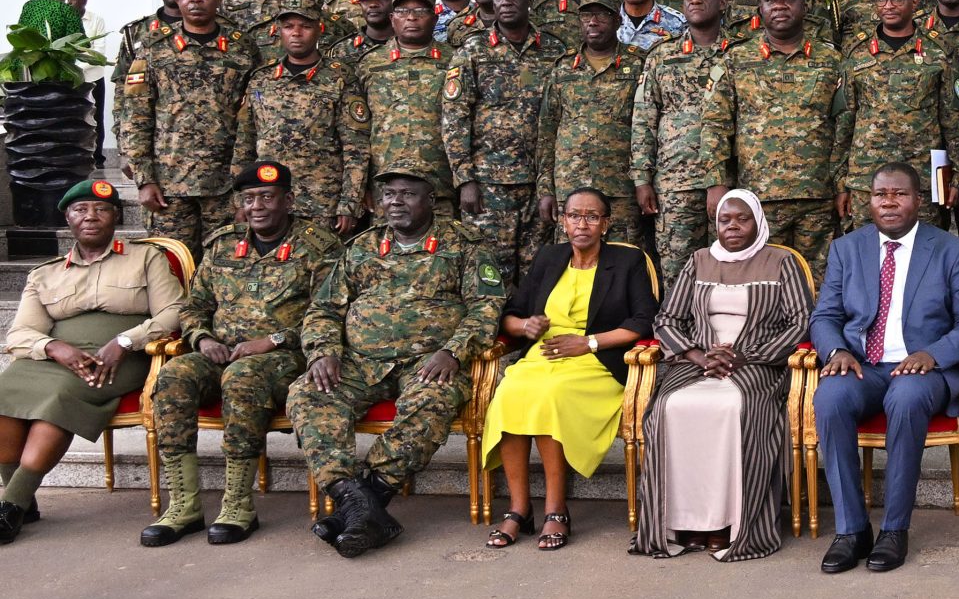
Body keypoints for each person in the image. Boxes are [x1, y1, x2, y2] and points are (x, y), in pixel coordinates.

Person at [289, 171, 506, 556]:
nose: (395, 202)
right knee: (308, 393)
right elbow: (324, 309)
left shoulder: (464, 244)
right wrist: (323, 351)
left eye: (407, 194)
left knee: (432, 401)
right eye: (389, 194)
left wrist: (454, 350)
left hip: (430, 363)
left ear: (431, 200)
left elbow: (486, 307)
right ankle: (354, 500)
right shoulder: (362, 247)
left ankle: (360, 506)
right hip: (359, 363)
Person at [141, 162, 336, 547]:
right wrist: (202, 339)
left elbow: (330, 313)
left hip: (285, 359)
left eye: (267, 197)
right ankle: (184, 505)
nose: (257, 206)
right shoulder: (223, 244)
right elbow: (195, 307)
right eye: (249, 199)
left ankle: (238, 505)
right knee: (174, 376)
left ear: (288, 200)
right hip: (220, 353)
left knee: (243, 377)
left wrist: (273, 340)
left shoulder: (318, 246)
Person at [810, 163, 959, 574]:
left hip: (924, 371)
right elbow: (825, 316)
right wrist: (837, 350)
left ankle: (894, 530)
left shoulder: (950, 250)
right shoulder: (847, 248)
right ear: (869, 202)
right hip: (864, 366)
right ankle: (852, 531)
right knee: (830, 397)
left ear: (918, 201)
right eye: (880, 195)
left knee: (906, 398)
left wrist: (933, 354)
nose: (889, 202)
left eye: (899, 194)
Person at [630, 190, 814, 563]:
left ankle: (726, 523)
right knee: (670, 406)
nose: (732, 226)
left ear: (758, 222)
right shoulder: (699, 261)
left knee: (732, 407)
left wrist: (748, 355)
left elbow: (801, 321)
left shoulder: (781, 263)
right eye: (725, 220)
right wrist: (697, 355)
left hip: (758, 365)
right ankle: (681, 523)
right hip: (697, 362)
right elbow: (667, 319)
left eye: (742, 219)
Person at [0, 180, 185, 542]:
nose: (90, 216)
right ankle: (20, 500)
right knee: (4, 394)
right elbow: (20, 333)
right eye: (80, 210)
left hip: (117, 358)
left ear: (116, 217)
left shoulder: (146, 257)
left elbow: (174, 311)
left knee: (59, 400)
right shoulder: (45, 273)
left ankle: (10, 507)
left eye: (101, 209)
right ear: (67, 218)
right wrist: (54, 347)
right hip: (56, 358)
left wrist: (126, 340)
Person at [480, 188, 657, 551]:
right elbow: (511, 314)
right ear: (563, 221)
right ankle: (519, 509)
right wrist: (525, 326)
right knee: (510, 394)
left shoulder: (628, 261)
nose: (582, 224)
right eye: (574, 215)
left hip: (596, 361)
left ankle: (556, 509)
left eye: (592, 216)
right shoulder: (549, 257)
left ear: (605, 224)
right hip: (542, 356)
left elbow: (644, 321)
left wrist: (588, 342)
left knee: (552, 396)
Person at [702, 0, 847, 290]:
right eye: (771, 0)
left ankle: (813, 325)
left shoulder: (831, 60)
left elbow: (843, 126)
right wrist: (716, 181)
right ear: (760, 8)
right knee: (763, 281)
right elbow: (715, 123)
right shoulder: (736, 59)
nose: (780, 6)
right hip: (758, 196)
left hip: (817, 194)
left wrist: (841, 185)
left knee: (817, 282)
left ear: (804, 7)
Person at [441, 0, 570, 283]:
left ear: (529, 2)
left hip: (539, 182)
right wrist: (465, 179)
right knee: (489, 270)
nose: (506, 2)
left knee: (538, 270)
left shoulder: (553, 50)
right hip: (488, 183)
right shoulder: (473, 49)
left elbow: (563, 115)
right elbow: (454, 116)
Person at [120, 0, 256, 256]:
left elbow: (252, 117)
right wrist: (145, 179)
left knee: (226, 261)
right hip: (169, 184)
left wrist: (246, 180)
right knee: (171, 264)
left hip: (226, 182)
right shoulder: (154, 49)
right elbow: (136, 116)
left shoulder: (242, 48)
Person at [839, 0, 959, 233]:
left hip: (921, 180)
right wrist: (840, 181)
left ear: (915, 2)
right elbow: (845, 120)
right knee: (866, 249)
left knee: (924, 250)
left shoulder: (937, 52)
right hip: (866, 180)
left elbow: (952, 119)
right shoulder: (856, 52)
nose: (889, 6)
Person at [229, 0, 368, 238]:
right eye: (288, 26)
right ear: (278, 31)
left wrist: (349, 203)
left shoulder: (339, 78)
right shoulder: (261, 79)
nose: (296, 33)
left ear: (319, 29)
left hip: (322, 202)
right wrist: (241, 200)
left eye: (305, 26)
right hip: (268, 201)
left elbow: (356, 147)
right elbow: (244, 144)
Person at [633, 0, 730, 283]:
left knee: (730, 270)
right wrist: (641, 178)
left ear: (722, 2)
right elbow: (644, 118)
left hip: (731, 179)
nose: (694, 0)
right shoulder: (662, 55)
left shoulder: (740, 53)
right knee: (678, 273)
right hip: (675, 182)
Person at [537, 0, 642, 246]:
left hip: (621, 187)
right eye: (586, 15)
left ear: (618, 20)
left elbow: (647, 126)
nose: (592, 22)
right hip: (571, 186)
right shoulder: (563, 68)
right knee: (572, 258)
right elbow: (547, 130)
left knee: (623, 257)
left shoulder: (638, 63)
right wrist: (545, 189)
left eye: (601, 15)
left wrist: (644, 181)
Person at [352, 0, 460, 213]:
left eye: (420, 11)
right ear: (392, 19)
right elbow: (358, 129)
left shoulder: (455, 60)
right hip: (386, 183)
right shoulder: (370, 63)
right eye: (402, 11)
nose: (411, 17)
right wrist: (360, 185)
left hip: (440, 182)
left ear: (434, 18)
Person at [69, 0, 107, 167]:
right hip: (71, 79)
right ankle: (75, 157)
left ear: (83, 1)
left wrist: (77, 67)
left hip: (94, 77)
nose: (69, 2)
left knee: (96, 117)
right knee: (73, 117)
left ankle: (97, 158)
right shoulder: (66, 18)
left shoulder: (96, 20)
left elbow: (99, 52)